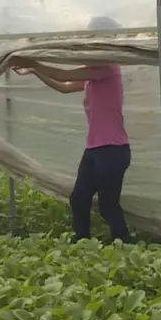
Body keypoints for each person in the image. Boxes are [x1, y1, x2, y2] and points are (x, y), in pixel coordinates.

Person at [11, 16, 132, 243]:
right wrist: (36, 72)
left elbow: (64, 74)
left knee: (108, 205)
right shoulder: (93, 75)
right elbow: (65, 86)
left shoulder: (106, 67)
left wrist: (34, 63)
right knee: (79, 199)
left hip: (113, 149)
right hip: (96, 148)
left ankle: (124, 243)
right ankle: (82, 242)